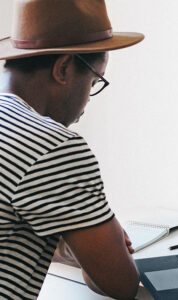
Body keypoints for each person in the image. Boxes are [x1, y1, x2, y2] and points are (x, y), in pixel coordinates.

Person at [0, 0, 144, 299]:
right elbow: (121, 284)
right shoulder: (52, 146)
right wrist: (94, 236)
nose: (89, 99)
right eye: (93, 81)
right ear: (63, 68)